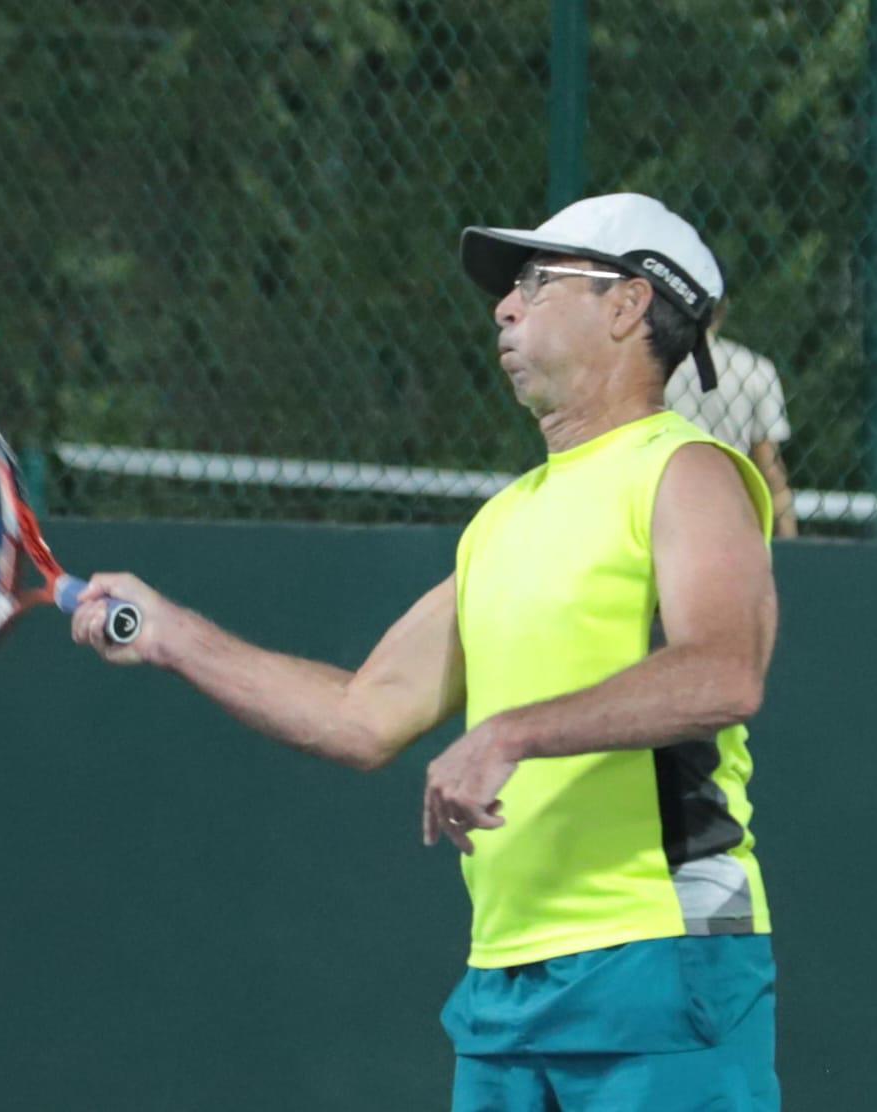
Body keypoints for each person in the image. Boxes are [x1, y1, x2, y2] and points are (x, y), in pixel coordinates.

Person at [70, 193, 781, 1111]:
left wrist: (512, 733)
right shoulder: (502, 524)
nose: (505, 307)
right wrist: (173, 634)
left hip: (663, 959)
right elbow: (361, 715)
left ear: (627, 305)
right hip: (506, 986)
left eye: (535, 282)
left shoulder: (685, 471)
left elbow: (725, 670)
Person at [666, 299, 800, 536]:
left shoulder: (654, 366)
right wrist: (790, 536)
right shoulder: (754, 368)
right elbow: (769, 465)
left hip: (665, 501)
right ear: (722, 308)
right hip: (729, 506)